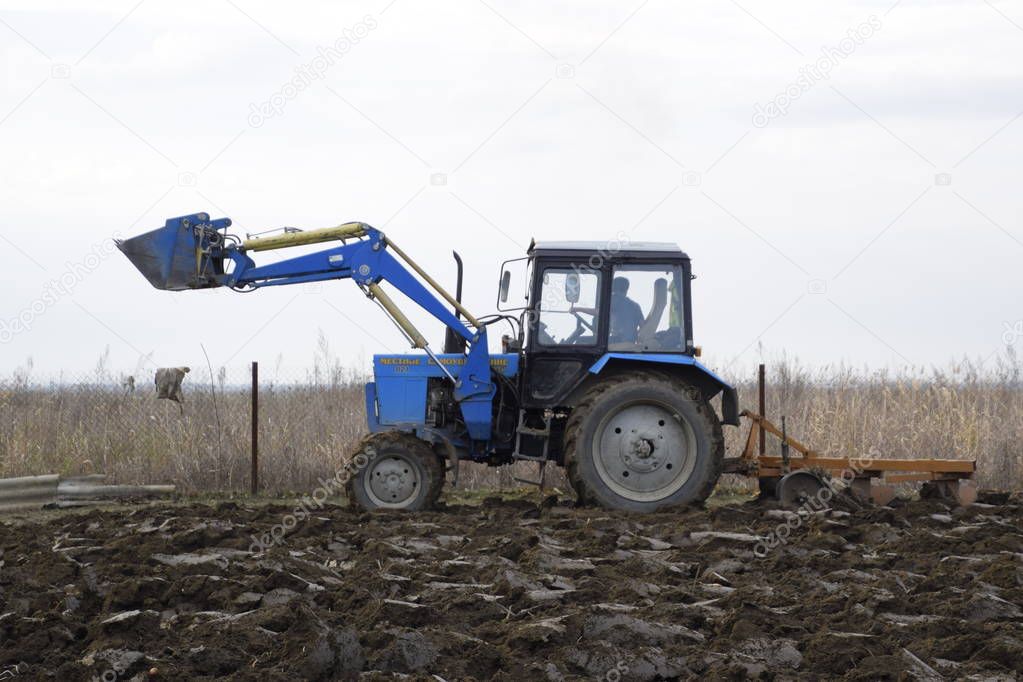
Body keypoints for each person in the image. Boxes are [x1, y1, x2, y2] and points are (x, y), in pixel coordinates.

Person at [609, 276, 643, 345]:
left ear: (613, 288)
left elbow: (599, 312)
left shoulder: (613, 301)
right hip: (630, 341)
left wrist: (581, 309)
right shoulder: (635, 305)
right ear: (626, 289)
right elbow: (642, 325)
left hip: (618, 340)